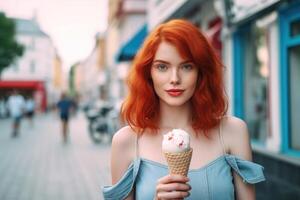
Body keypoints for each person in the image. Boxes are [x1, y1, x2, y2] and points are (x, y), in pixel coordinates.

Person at [102, 19, 265, 200]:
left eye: (187, 66)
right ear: (148, 73)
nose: (175, 78)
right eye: (162, 67)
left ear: (201, 72)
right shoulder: (126, 141)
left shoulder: (233, 131)